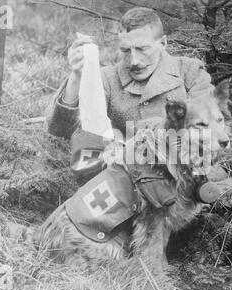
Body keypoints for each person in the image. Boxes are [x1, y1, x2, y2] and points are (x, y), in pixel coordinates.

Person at [47, 7, 214, 186]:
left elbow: (206, 134)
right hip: (126, 187)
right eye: (126, 50)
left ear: (163, 43)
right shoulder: (107, 78)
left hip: (188, 181)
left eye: (142, 49)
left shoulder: (190, 72)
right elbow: (63, 130)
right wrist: (76, 77)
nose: (134, 60)